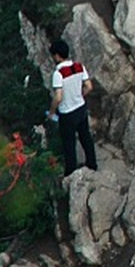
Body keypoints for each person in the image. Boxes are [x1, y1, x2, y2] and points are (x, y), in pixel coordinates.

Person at [48, 39, 99, 175]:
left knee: (69, 144)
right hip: (81, 108)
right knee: (85, 137)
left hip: (67, 113)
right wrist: (80, 96)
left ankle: (70, 172)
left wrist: (52, 112)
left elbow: (58, 97)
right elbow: (89, 86)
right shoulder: (79, 67)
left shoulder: (58, 74)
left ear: (57, 56)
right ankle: (92, 164)